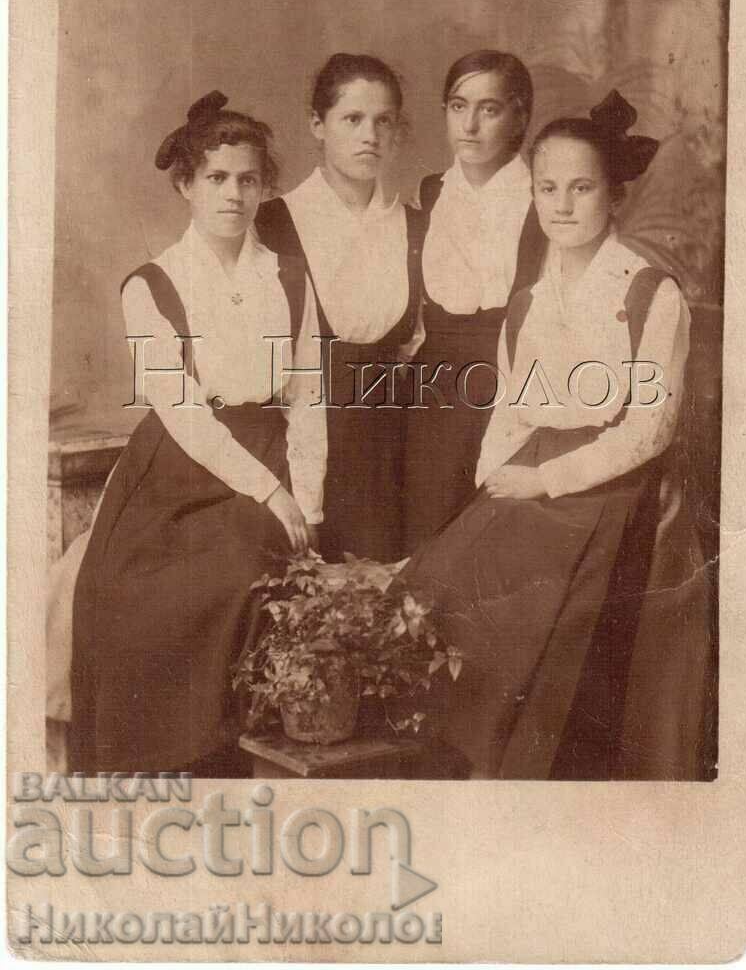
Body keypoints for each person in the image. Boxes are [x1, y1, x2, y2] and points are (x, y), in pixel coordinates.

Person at [403, 90, 691, 779]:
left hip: (614, 485)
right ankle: (462, 763)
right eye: (548, 188)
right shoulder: (530, 298)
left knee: (536, 613)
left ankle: (522, 771)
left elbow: (648, 430)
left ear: (615, 196)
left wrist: (542, 481)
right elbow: (512, 403)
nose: (562, 206)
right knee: (440, 582)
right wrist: (491, 485)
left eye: (582, 188)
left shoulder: (651, 294)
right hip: (531, 467)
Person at [69, 92, 327, 776]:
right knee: (141, 590)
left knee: (258, 561)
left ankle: (231, 764)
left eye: (248, 179)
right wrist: (271, 490)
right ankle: (164, 764)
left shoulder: (289, 278)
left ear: (265, 185)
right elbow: (183, 414)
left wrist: (309, 499)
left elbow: (308, 399)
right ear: (185, 185)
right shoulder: (152, 285)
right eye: (216, 178)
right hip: (179, 468)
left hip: (272, 451)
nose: (234, 194)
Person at [256, 54, 422, 563]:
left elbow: (416, 346)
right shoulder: (269, 224)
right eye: (352, 119)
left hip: (387, 461)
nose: (369, 135)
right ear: (317, 125)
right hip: (291, 453)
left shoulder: (417, 228)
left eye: (383, 120)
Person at [402, 49, 547, 552]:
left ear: (519, 116)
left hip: (508, 383)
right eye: (457, 106)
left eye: (489, 109)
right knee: (425, 534)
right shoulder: (432, 192)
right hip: (431, 390)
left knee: (488, 543)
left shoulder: (541, 200)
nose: (469, 124)